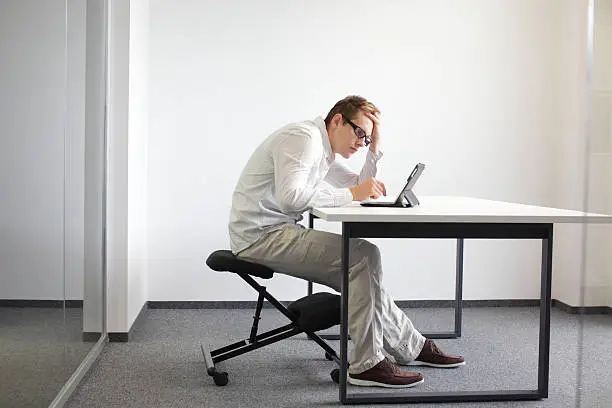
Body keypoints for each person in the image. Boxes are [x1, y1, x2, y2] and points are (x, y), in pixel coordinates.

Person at [228, 95, 465, 388]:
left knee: (363, 268)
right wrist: (355, 193)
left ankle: (410, 346)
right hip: (260, 236)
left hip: (274, 231)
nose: (361, 142)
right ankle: (368, 364)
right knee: (363, 258)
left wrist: (374, 152)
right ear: (338, 120)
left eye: (366, 139)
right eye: (360, 134)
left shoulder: (322, 148)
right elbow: (292, 200)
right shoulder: (304, 140)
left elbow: (357, 185)